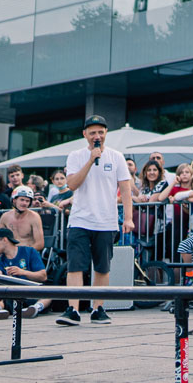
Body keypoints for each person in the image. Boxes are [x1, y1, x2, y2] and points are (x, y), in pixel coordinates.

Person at [58, 115, 133, 327]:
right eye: (92, 133)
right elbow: (72, 184)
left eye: (100, 132)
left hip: (106, 221)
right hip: (80, 219)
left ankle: (98, 308)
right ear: (85, 135)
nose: (97, 136)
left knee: (102, 267)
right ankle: (72, 309)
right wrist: (91, 160)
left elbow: (125, 188)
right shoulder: (75, 156)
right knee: (75, 266)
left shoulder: (117, 157)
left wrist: (128, 218)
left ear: (106, 133)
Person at [0, 227, 47, 319]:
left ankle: (35, 308)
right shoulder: (0, 259)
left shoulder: (29, 251)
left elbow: (43, 276)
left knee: (48, 292)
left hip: (31, 292)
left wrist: (23, 272)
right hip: (11, 296)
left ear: (4, 240)